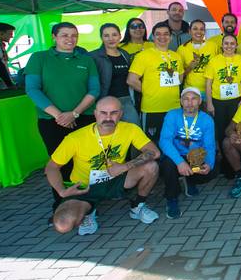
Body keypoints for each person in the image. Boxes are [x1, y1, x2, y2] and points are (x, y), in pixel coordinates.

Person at [46, 96, 160, 235]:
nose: (108, 117)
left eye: (114, 113)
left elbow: (154, 152)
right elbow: (51, 167)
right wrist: (61, 191)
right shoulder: (75, 138)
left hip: (116, 179)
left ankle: (138, 206)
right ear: (95, 114)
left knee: (151, 166)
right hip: (85, 187)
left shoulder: (130, 129)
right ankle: (88, 212)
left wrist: (125, 166)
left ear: (121, 114)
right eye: (103, 113)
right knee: (63, 224)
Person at [25, 22, 100, 210]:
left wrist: (74, 113)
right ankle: (61, 204)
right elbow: (32, 89)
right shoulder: (39, 58)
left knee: (85, 161)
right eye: (65, 35)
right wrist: (60, 116)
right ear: (54, 37)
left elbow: (94, 90)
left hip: (83, 118)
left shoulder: (86, 60)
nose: (70, 39)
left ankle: (87, 203)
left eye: (74, 35)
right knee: (59, 163)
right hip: (51, 121)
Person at [159, 88, 216, 219]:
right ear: (181, 101)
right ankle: (172, 199)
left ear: (200, 101)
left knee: (213, 169)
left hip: (194, 157)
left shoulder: (207, 119)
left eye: (193, 99)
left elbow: (209, 145)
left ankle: (190, 180)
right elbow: (164, 141)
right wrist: (180, 162)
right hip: (176, 156)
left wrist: (209, 164)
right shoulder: (172, 115)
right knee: (168, 165)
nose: (190, 103)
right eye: (186, 99)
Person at [127, 22, 184, 143]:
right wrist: (149, 91)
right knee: (152, 143)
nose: (162, 37)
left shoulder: (176, 56)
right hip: (152, 109)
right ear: (153, 37)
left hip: (174, 108)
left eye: (166, 34)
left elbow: (180, 78)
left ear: (171, 37)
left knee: (174, 142)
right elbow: (131, 80)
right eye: (158, 34)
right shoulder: (143, 56)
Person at [204, 34, 241, 149]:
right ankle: (223, 153)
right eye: (226, 43)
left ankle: (236, 152)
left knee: (237, 128)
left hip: (236, 101)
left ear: (236, 45)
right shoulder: (214, 61)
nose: (229, 46)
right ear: (222, 45)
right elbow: (208, 83)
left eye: (232, 43)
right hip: (218, 101)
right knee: (220, 128)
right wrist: (209, 103)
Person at [89, 23, 138, 123]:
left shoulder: (125, 54)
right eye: (106, 35)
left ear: (120, 36)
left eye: (114, 35)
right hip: (106, 101)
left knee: (134, 128)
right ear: (101, 38)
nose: (111, 39)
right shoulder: (94, 56)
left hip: (126, 100)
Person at [178, 19, 218, 97]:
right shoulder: (182, 49)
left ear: (205, 31)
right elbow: (179, 76)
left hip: (210, 90)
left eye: (202, 29)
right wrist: (189, 67)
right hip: (190, 91)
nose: (198, 32)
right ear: (189, 31)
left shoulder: (213, 46)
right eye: (195, 29)